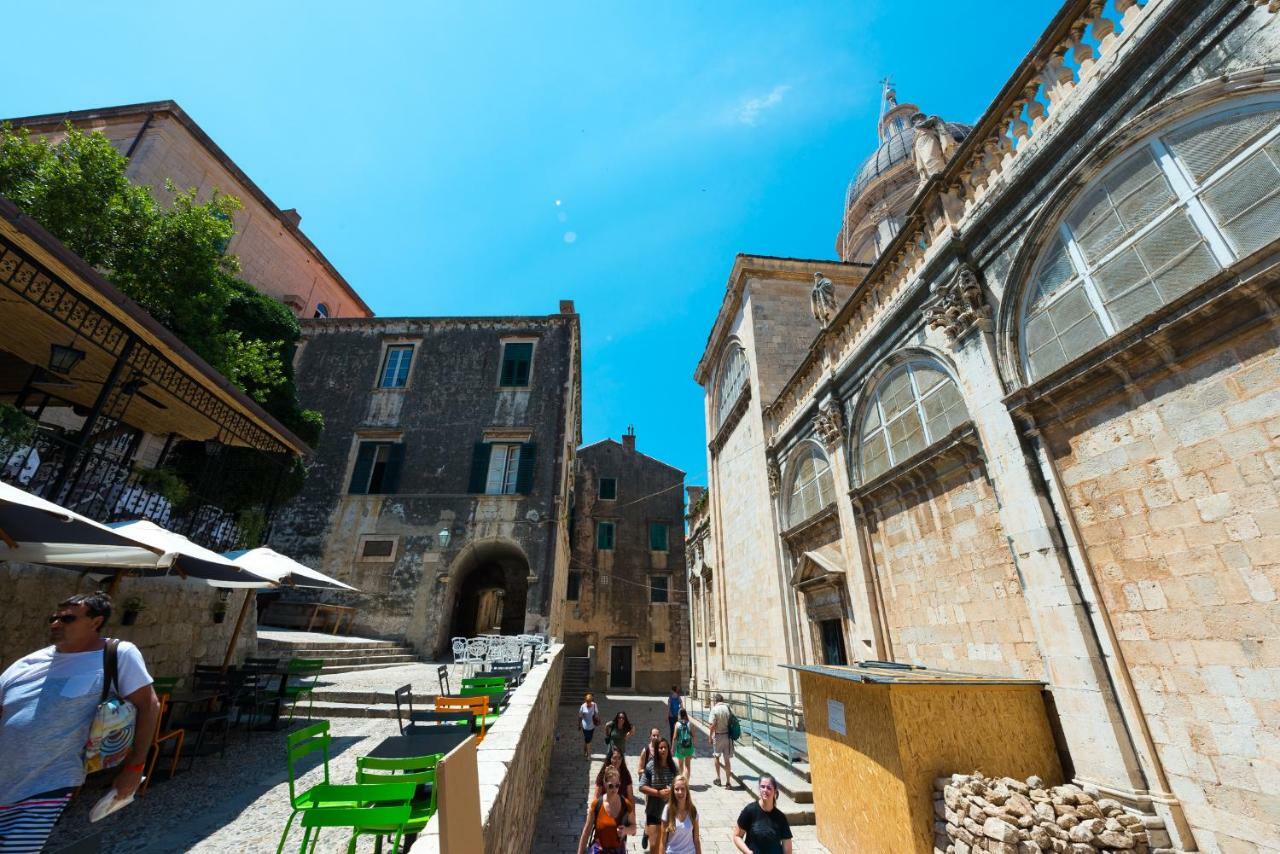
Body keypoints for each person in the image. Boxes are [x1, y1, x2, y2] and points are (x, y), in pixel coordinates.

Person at [0, 593, 160, 853]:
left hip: (49, 783)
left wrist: (135, 766)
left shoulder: (117, 654)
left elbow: (149, 706)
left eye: (67, 618)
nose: (55, 623)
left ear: (95, 622)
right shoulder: (26, 664)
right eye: (54, 617)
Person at [577, 766, 636, 854]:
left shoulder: (626, 804)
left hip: (618, 851)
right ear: (604, 784)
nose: (614, 789)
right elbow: (586, 832)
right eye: (611, 786)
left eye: (617, 785)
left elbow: (634, 828)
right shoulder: (597, 804)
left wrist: (625, 830)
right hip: (599, 851)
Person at [731, 774, 792, 854]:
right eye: (762, 787)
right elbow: (737, 836)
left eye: (769, 788)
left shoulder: (781, 817)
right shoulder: (750, 811)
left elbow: (787, 850)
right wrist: (748, 852)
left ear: (775, 791)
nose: (765, 790)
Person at [639, 738, 677, 852]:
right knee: (655, 845)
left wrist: (672, 790)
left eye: (665, 747)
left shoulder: (673, 766)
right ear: (657, 750)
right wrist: (658, 793)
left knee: (665, 846)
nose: (663, 750)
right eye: (660, 748)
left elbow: (680, 785)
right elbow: (641, 786)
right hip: (654, 811)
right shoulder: (650, 765)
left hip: (670, 813)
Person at [656, 775, 700, 854]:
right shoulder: (668, 810)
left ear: (687, 791)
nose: (680, 792)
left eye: (683, 789)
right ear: (673, 791)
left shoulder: (693, 810)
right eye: (677, 789)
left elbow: (696, 840)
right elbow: (663, 841)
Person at [707, 693, 735, 788]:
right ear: (722, 700)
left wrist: (710, 736)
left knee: (717, 757)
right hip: (728, 736)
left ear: (715, 701)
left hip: (718, 736)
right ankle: (728, 782)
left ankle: (718, 778)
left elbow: (712, 725)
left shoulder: (714, 709)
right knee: (727, 760)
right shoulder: (728, 708)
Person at [672, 708, 695, 783]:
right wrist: (694, 746)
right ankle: (687, 783)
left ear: (679, 715)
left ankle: (681, 781)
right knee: (687, 766)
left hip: (680, 747)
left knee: (680, 765)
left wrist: (672, 747)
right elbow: (693, 735)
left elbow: (675, 737)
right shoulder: (689, 723)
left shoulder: (677, 724)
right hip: (689, 746)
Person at [580, 692, 602, 759]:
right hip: (585, 726)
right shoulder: (583, 706)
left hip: (592, 726)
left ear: (591, 701)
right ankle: (589, 755)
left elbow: (596, 714)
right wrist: (578, 724)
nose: (588, 703)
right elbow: (580, 716)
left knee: (588, 739)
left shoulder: (594, 705)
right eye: (587, 701)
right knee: (588, 740)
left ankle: (585, 750)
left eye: (589, 701)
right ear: (585, 701)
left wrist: (597, 719)